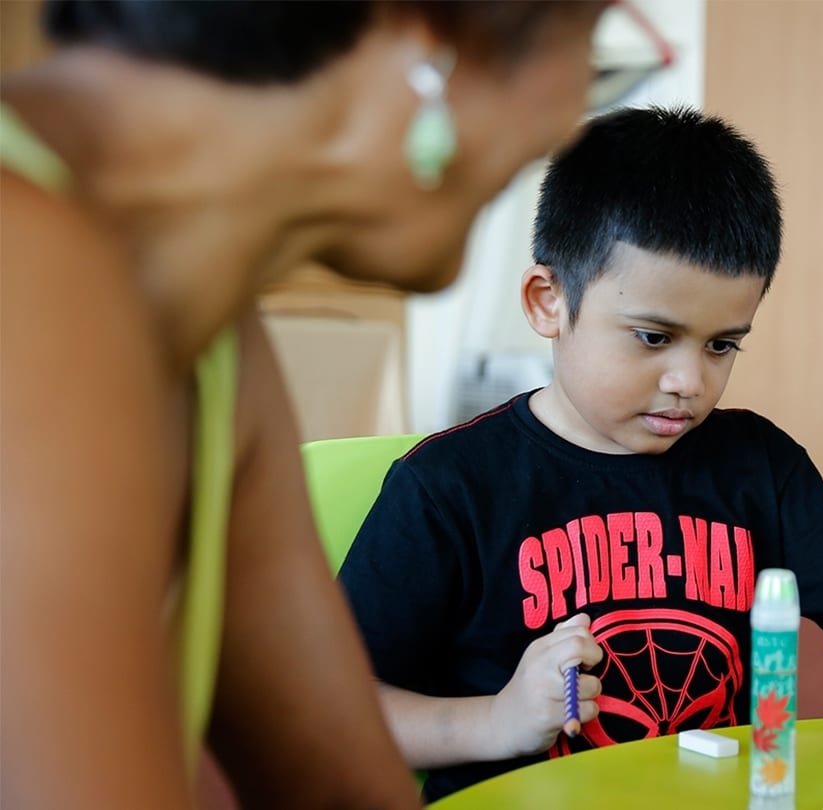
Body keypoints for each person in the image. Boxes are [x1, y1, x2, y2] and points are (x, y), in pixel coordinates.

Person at [338, 105, 823, 803]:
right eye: (653, 336)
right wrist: (496, 723)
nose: (688, 381)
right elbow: (337, 709)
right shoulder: (447, 490)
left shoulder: (755, 468)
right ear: (550, 302)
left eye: (722, 345)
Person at [0, 2, 607, 808]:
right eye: (596, 24)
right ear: (427, 41)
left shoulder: (208, 330)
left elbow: (340, 784)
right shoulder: (31, 275)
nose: (641, 56)